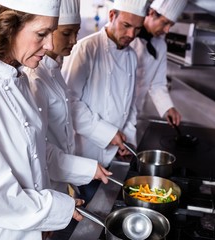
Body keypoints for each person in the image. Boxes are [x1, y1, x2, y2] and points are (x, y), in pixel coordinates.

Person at [0, 0, 111, 239]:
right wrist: (56, 210)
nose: (49, 44)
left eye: (51, 32)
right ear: (7, 27)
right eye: (41, 34)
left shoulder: (18, 79)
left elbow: (36, 150)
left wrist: (87, 169)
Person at [61, 0, 150, 202]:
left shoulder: (132, 56)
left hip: (118, 152)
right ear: (112, 16)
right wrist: (108, 134)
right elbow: (70, 104)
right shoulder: (86, 49)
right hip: (88, 154)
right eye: (126, 25)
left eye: (137, 29)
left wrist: (127, 139)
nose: (131, 35)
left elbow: (130, 103)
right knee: (91, 207)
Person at [25, 0, 86, 196]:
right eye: (67, 33)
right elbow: (38, 147)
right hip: (47, 185)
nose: (74, 40)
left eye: (77, 32)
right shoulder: (34, 77)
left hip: (63, 178)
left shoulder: (55, 67)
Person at [131, 0, 187, 126]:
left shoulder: (160, 45)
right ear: (151, 13)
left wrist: (168, 107)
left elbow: (157, 83)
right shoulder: (127, 38)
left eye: (170, 25)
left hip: (133, 116)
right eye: (165, 23)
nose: (167, 30)